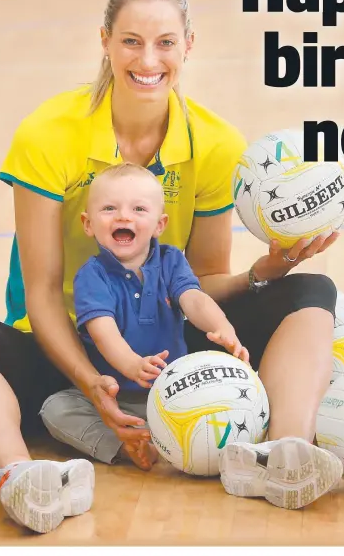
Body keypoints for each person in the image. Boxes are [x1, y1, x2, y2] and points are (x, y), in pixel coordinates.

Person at [0, 0, 342, 531]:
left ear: (188, 45)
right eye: (131, 42)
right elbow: (42, 291)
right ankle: (19, 476)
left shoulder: (216, 145)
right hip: (57, 348)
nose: (149, 60)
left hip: (164, 356)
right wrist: (90, 382)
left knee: (312, 291)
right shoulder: (48, 133)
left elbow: (203, 280)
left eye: (165, 42)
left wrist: (263, 273)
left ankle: (284, 455)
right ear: (105, 43)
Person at [40, 162, 250, 470]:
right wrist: (131, 365)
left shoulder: (171, 260)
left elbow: (194, 300)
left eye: (139, 209)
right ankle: (128, 445)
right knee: (55, 409)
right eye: (109, 208)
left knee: (228, 393)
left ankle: (178, 436)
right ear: (88, 223)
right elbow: (103, 332)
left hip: (177, 392)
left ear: (159, 224)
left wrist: (223, 327)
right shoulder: (92, 276)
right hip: (117, 400)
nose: (124, 216)